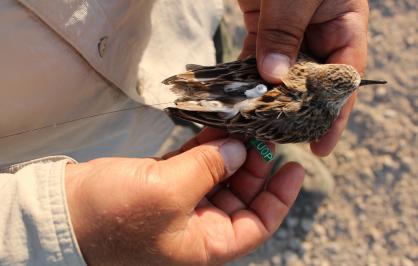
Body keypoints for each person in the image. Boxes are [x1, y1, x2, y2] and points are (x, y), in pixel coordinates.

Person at [0, 0, 368, 265]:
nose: (353, 89)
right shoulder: (314, 121)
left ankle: (255, 145)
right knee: (250, 134)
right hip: (101, 129)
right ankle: (259, 149)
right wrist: (61, 228)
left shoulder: (303, 66)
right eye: (347, 89)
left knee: (229, 91)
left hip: (182, 30)